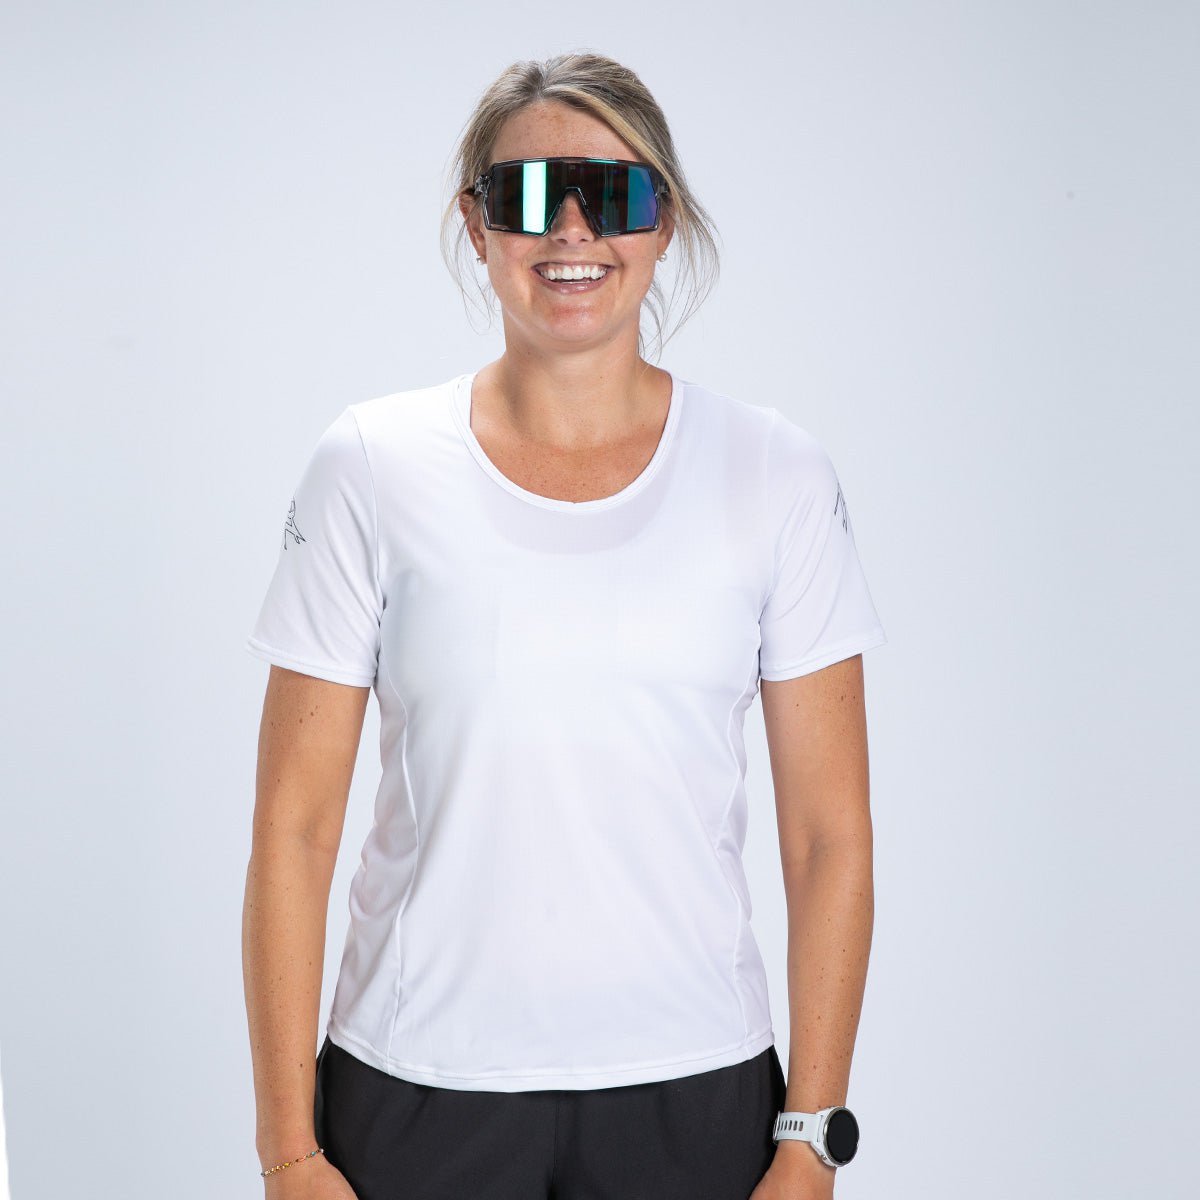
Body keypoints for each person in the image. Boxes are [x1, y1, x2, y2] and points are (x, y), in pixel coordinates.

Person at [243, 51, 887, 1200]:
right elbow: (294, 830)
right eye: (528, 195)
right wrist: (289, 1153)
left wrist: (809, 1137)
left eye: (615, 193)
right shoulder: (371, 467)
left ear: (665, 221)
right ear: (477, 225)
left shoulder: (773, 473)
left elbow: (827, 836)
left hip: (698, 1093)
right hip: (416, 1090)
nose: (572, 231)